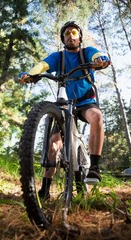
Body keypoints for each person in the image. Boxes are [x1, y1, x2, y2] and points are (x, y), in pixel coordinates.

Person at [19, 21, 110, 199]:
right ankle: (45, 189)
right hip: (64, 104)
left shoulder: (86, 53)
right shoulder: (58, 57)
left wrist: (100, 61)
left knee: (97, 117)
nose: (70, 36)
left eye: (74, 32)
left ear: (79, 37)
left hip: (85, 102)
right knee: (54, 144)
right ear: (63, 38)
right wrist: (30, 74)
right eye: (67, 33)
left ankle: (94, 167)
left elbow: (97, 56)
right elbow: (43, 65)